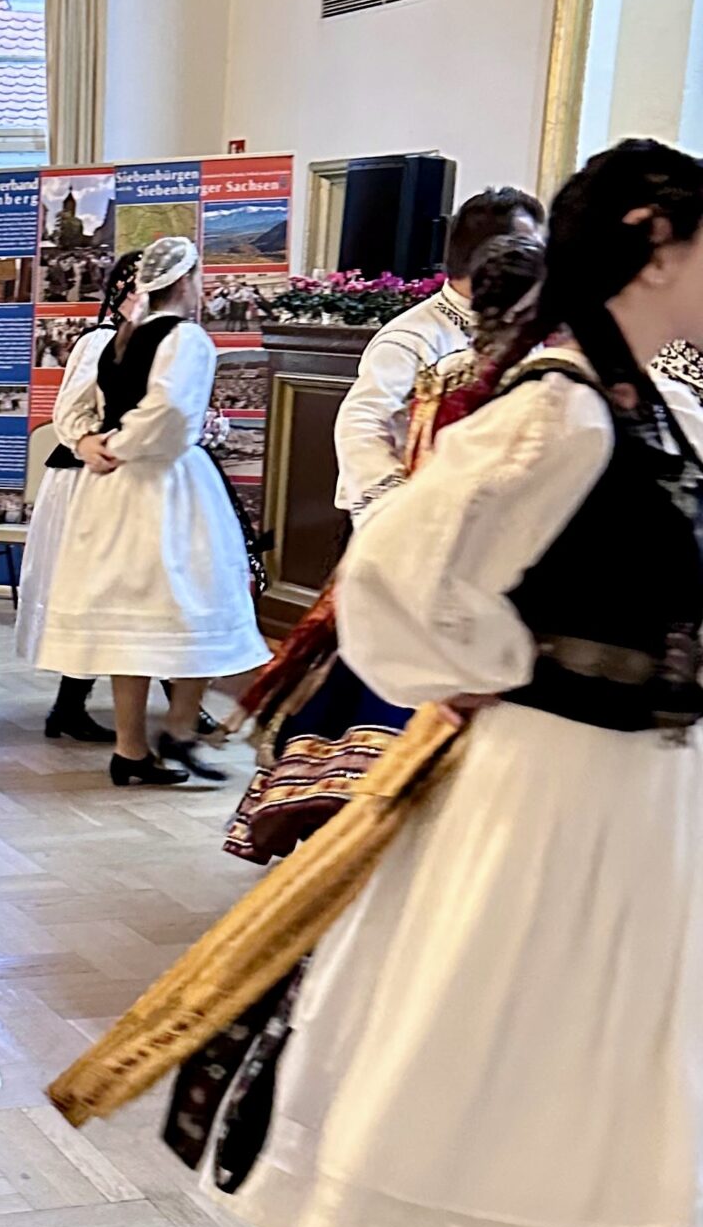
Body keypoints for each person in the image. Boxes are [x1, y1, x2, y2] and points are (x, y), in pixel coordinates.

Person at [232, 138, 703, 1227]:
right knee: (451, 1061)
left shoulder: (661, 402)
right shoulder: (559, 412)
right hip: (546, 795)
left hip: (647, 798)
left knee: (625, 1078)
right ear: (655, 242)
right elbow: (396, 570)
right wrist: (497, 670)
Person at [225, 230, 549, 865]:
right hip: (434, 549)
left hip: (439, 554)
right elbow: (363, 424)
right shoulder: (433, 348)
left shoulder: (488, 374)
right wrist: (395, 510)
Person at [17, 236, 266, 788]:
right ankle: (177, 728)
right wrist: (118, 443)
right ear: (185, 282)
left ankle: (132, 748)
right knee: (195, 603)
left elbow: (85, 409)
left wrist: (94, 444)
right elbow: (171, 414)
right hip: (163, 485)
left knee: (128, 619)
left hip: (112, 490)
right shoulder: (186, 338)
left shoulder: (120, 337)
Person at [334, 185, 546, 519]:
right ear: (491, 257)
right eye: (528, 246)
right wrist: (397, 512)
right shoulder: (410, 336)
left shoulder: (528, 323)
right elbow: (361, 424)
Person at [16, 250, 144, 747]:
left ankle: (177, 699)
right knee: (97, 589)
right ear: (124, 291)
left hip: (134, 480)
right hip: (91, 480)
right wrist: (97, 443)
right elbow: (70, 413)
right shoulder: (101, 342)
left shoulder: (161, 341)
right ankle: (69, 705)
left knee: (137, 589)